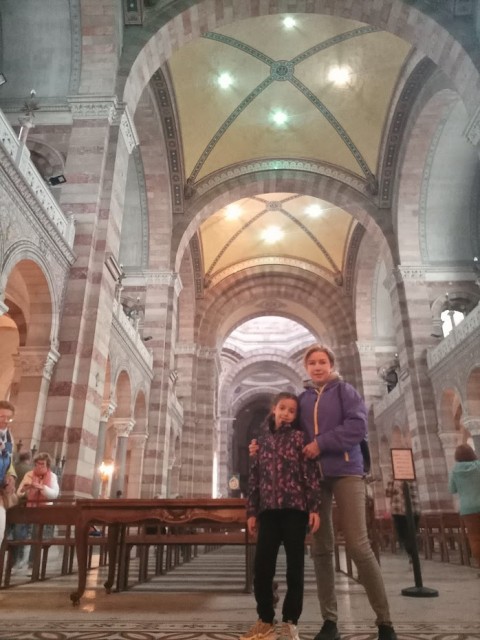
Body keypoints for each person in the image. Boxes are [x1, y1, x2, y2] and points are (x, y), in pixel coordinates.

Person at [259, 345, 397, 640]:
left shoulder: (345, 391)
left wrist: (321, 444)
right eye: (312, 363)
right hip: (315, 477)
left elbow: (357, 427)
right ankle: (330, 620)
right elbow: (283, 424)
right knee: (322, 548)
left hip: (347, 472)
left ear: (331, 364)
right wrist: (260, 444)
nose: (318, 366)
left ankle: (384, 621)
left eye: (322, 362)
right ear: (306, 367)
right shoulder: (304, 398)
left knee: (359, 546)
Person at [240, 392, 321, 640]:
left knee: (295, 569)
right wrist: (252, 511)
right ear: (274, 409)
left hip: (295, 511)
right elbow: (254, 479)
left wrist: (314, 507)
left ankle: (290, 621)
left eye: (291, 410)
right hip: (269, 512)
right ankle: (265, 620)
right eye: (282, 408)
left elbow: (310, 474)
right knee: (262, 568)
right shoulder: (260, 442)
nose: (286, 413)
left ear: (295, 416)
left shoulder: (299, 438)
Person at [17, 452, 60, 569]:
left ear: (47, 465)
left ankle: (32, 562)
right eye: (37, 464)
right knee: (21, 534)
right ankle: (19, 559)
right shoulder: (29, 474)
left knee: (37, 535)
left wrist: (42, 488)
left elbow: (54, 494)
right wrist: (27, 489)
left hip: (43, 510)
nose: (39, 466)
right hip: (29, 508)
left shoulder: (52, 477)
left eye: (42, 464)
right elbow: (19, 492)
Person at [448, 443, 480, 572]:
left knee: (475, 538)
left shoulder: (455, 471)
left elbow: (452, 489)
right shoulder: (478, 466)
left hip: (468, 509)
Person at [386, 478, 420, 562]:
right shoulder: (411, 474)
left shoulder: (394, 477)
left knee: (405, 534)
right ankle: (412, 553)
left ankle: (411, 553)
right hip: (411, 508)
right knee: (410, 533)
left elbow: (388, 493)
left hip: (401, 509)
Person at [0, 400, 18, 546]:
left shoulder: (9, 437)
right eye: (1, 416)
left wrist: (11, 476)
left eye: (8, 418)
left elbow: (9, 461)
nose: (5, 421)